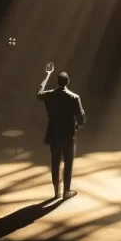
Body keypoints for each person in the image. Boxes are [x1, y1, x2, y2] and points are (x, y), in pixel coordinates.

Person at [36, 62, 86, 200]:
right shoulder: (74, 97)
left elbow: (38, 93)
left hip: (54, 135)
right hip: (69, 136)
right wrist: (78, 124)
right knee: (68, 164)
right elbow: (82, 119)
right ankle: (66, 192)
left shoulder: (50, 95)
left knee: (55, 162)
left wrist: (47, 75)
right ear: (68, 82)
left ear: (57, 82)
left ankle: (56, 191)